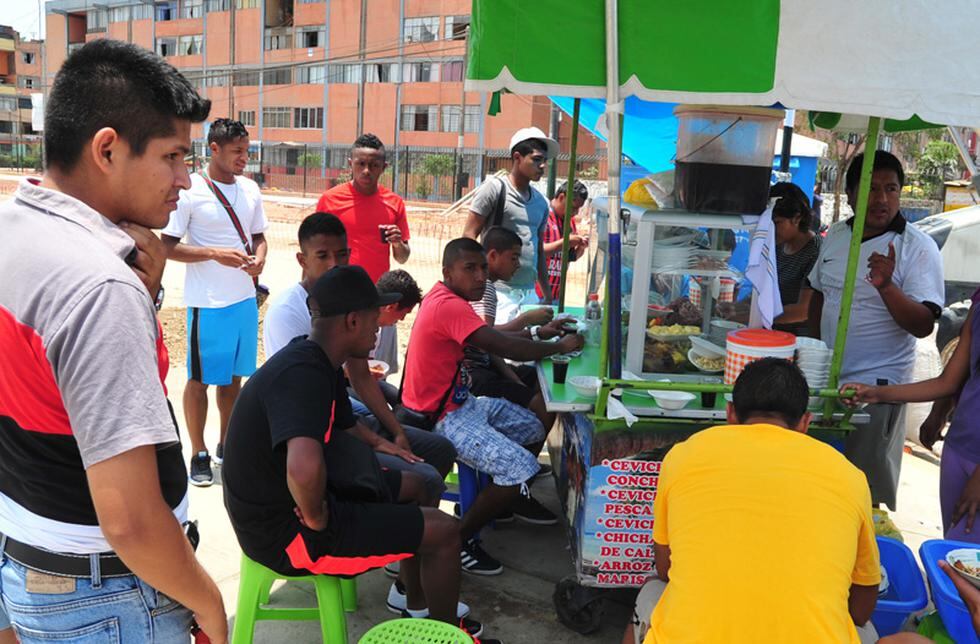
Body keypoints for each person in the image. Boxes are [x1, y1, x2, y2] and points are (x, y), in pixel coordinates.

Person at [0, 39, 226, 643]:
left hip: (26, 552)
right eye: (174, 155)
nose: (185, 179)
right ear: (107, 149)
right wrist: (207, 600)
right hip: (105, 590)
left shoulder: (13, 227)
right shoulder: (100, 288)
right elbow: (128, 519)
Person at [222, 266, 497, 641]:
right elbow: (302, 471)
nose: (380, 328)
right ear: (352, 320)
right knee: (446, 531)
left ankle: (414, 602)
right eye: (374, 318)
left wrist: (386, 443)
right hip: (287, 534)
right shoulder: (303, 373)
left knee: (420, 486)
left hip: (298, 504)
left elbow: (346, 426)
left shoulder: (319, 358)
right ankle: (446, 636)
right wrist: (319, 519)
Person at [625, 358, 881, 644]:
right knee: (866, 631)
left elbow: (665, 567)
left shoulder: (684, 456)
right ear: (805, 422)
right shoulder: (850, 476)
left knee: (652, 588)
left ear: (731, 413)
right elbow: (861, 606)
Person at [401, 238, 584, 575]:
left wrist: (540, 334)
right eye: (470, 268)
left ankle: (502, 498)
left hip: (464, 404)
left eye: (483, 267)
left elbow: (492, 335)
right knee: (520, 466)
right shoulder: (448, 305)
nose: (480, 275)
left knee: (532, 424)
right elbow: (498, 343)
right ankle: (459, 540)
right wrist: (560, 345)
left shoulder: (449, 299)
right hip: (443, 418)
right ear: (447, 272)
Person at [262, 212, 455, 516]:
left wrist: (395, 431)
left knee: (439, 449)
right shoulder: (288, 313)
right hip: (319, 430)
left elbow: (361, 376)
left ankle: (397, 528)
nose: (333, 264)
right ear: (302, 260)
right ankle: (387, 528)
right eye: (322, 256)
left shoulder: (347, 300)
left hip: (345, 416)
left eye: (341, 254)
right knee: (424, 479)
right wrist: (372, 440)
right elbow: (298, 403)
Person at [804, 151, 944, 510]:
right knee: (819, 490)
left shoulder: (917, 248)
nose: (882, 199)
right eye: (872, 188)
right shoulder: (835, 235)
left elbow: (923, 324)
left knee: (865, 499)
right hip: (825, 386)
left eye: (892, 189)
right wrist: (808, 353)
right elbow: (819, 295)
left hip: (877, 392)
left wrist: (886, 286)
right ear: (851, 193)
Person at [162, 118, 268, 487]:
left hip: (243, 301)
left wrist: (261, 257)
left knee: (234, 380)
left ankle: (227, 444)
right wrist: (213, 254)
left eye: (246, 150)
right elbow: (167, 246)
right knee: (199, 381)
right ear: (214, 149)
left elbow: (258, 235)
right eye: (237, 151)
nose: (244, 157)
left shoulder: (251, 189)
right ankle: (198, 453)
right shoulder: (191, 190)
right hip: (207, 305)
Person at [841, 285, 980, 543]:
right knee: (952, 552)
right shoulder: (978, 303)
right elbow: (948, 382)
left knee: (966, 563)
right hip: (959, 446)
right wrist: (876, 393)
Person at [464, 227, 574, 525]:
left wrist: (535, 338)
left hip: (487, 365)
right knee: (542, 403)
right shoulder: (482, 289)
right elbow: (485, 338)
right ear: (493, 255)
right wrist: (532, 327)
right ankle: (516, 487)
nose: (519, 265)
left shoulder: (487, 289)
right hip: (474, 377)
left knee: (541, 382)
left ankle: (523, 469)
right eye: (514, 258)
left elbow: (491, 344)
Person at [315, 133, 410, 375]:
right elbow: (315, 251)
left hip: (378, 301)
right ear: (350, 164)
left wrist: (398, 242)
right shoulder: (330, 200)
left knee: (378, 374)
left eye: (374, 165)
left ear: (384, 167)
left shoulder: (394, 203)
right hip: (340, 300)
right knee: (337, 370)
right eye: (361, 164)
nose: (367, 170)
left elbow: (402, 257)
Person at [464, 127, 559, 323]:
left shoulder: (541, 203)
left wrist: (547, 294)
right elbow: (468, 236)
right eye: (537, 159)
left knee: (527, 348)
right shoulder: (494, 190)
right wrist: (475, 281)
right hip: (498, 293)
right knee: (496, 347)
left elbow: (538, 249)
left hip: (530, 295)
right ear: (517, 157)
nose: (542, 166)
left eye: (544, 161)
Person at [770, 181, 821, 334]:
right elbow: (763, 291)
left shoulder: (816, 252)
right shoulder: (778, 246)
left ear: (797, 218)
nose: (770, 228)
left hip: (800, 339)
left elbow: (803, 310)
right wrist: (734, 308)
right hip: (773, 331)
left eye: (777, 222)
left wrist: (753, 316)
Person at [539, 180, 589, 302]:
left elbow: (571, 257)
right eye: (573, 208)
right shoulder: (542, 215)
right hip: (538, 293)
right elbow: (538, 251)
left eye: (578, 209)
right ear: (561, 197)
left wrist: (581, 247)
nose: (575, 212)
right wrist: (565, 242)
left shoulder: (570, 222)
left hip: (557, 294)